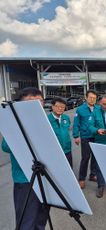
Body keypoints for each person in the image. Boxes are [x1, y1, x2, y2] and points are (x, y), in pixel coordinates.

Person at [1, 87, 50, 230]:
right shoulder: (15, 122)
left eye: (39, 101)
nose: (36, 106)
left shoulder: (45, 120)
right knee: (26, 222)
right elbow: (6, 146)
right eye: (30, 102)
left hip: (45, 178)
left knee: (41, 218)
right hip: (25, 180)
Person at [73, 90, 100, 189]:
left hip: (97, 136)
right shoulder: (80, 109)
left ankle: (92, 175)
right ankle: (81, 178)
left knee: (95, 157)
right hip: (85, 137)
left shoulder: (98, 108)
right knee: (85, 158)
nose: (92, 99)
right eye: (90, 97)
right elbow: (76, 124)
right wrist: (76, 136)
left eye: (94, 98)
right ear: (86, 98)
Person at [48, 97, 73, 168]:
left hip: (67, 149)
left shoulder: (66, 118)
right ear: (52, 106)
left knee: (69, 168)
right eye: (57, 106)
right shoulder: (47, 120)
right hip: (55, 151)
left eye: (62, 107)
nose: (60, 109)